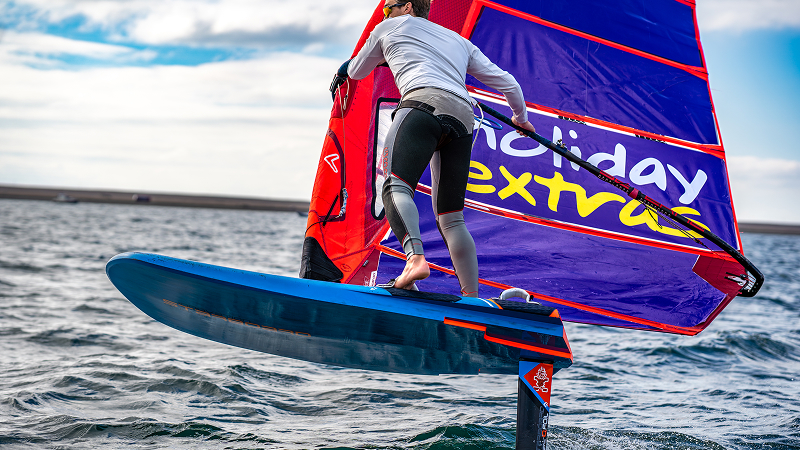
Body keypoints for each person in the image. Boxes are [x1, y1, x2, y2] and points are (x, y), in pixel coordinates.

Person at [330, 0, 535, 297]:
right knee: (452, 217)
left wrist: (349, 65)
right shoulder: (459, 42)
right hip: (463, 117)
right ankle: (471, 298)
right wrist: (521, 119)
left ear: (408, 7)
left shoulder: (387, 27)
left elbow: (359, 71)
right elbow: (510, 84)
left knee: (394, 188)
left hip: (421, 104)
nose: (385, 14)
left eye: (388, 8)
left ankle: (414, 260)